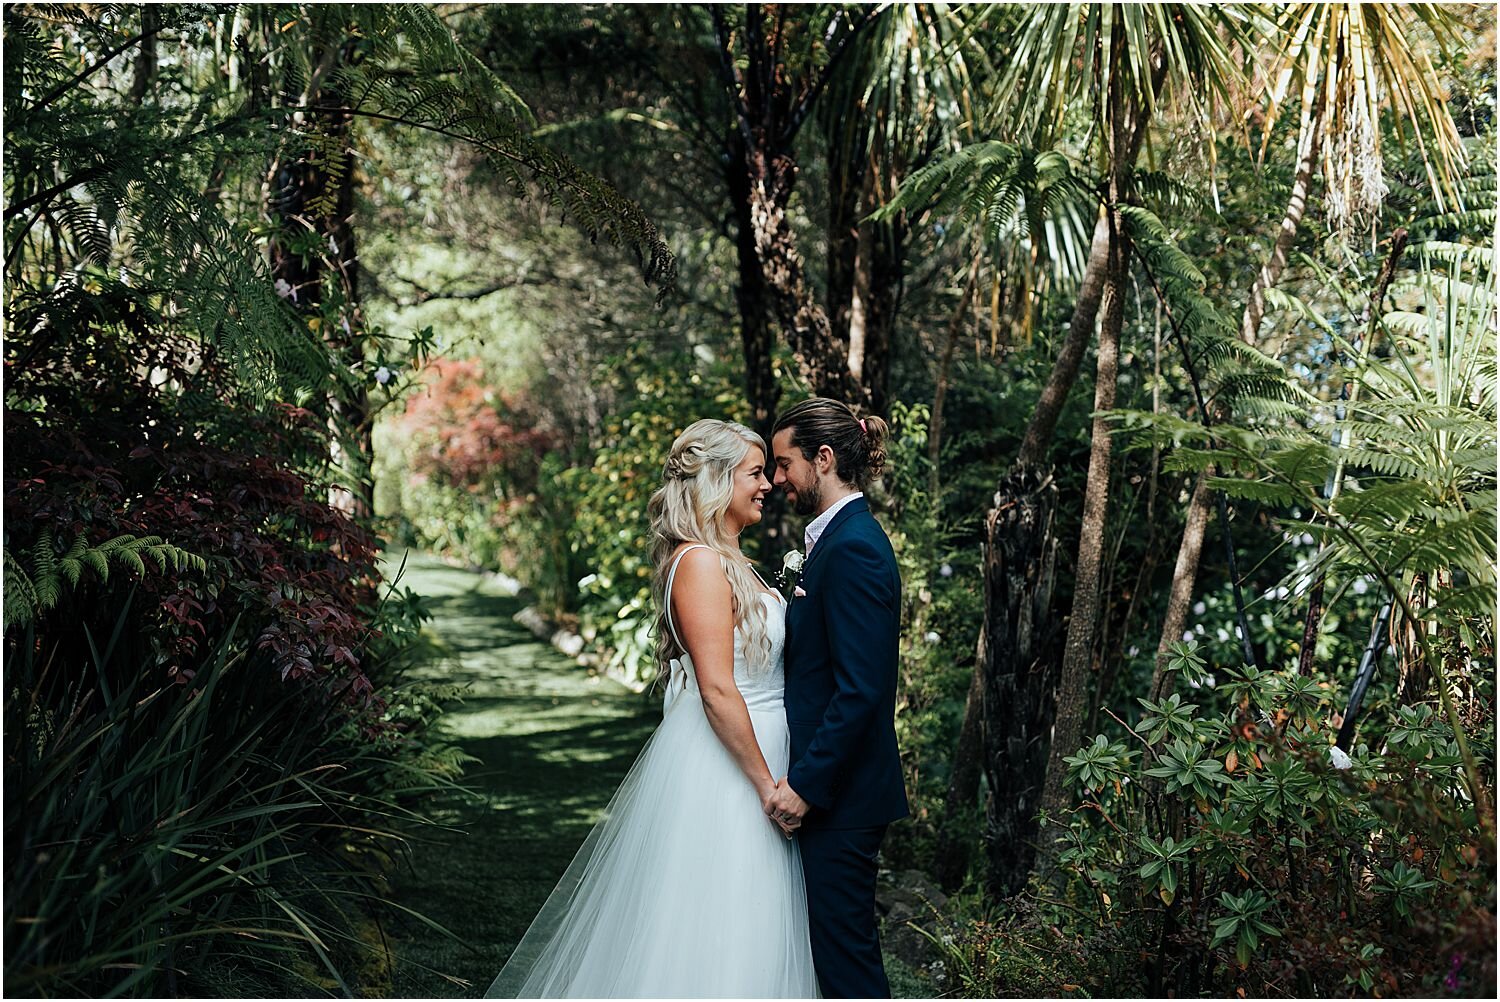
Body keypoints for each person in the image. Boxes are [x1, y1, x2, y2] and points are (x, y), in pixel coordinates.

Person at [486, 418, 819, 998]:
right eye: (755, 473)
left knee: (758, 919)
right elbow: (716, 688)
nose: (766, 484)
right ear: (716, 480)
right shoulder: (699, 564)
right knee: (723, 922)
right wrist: (767, 785)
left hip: (763, 747)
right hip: (732, 769)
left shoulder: (734, 562)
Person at [766, 397, 909, 999]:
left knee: (846, 967)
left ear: (822, 459)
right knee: (830, 957)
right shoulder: (833, 540)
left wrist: (805, 787)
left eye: (782, 463)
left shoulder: (854, 548)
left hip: (842, 801)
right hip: (835, 795)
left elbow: (861, 690)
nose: (776, 480)